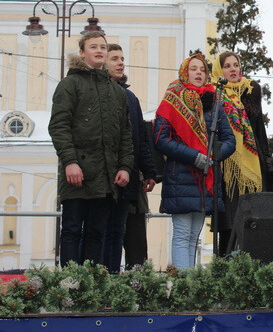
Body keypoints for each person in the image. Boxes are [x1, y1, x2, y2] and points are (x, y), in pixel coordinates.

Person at [48, 32, 134, 267]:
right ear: (82, 52)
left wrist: (125, 167)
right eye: (93, 46)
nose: (99, 50)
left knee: (97, 232)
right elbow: (59, 126)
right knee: (72, 231)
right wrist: (70, 162)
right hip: (77, 173)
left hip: (106, 177)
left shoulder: (117, 93)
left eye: (103, 47)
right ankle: (69, 288)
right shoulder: (70, 85)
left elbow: (125, 135)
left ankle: (91, 290)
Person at [153, 52, 236, 268]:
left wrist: (213, 156)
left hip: (205, 177)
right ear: (184, 72)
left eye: (203, 69)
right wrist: (194, 156)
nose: (199, 73)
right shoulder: (172, 98)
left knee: (193, 235)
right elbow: (161, 139)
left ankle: (190, 286)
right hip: (180, 175)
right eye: (193, 69)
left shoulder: (213, 101)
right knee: (181, 233)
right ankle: (183, 286)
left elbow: (229, 139)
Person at [211, 51, 273, 256]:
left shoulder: (250, 92)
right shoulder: (214, 93)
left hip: (252, 164)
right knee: (228, 225)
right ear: (220, 70)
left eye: (236, 65)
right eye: (227, 66)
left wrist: (266, 158)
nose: (233, 69)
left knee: (252, 223)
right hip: (226, 167)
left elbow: (259, 131)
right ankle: (225, 269)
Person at [102, 44, 158, 272]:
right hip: (106, 179)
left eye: (122, 58)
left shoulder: (131, 98)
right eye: (114, 58)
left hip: (132, 181)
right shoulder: (99, 94)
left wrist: (150, 172)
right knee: (109, 235)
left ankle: (137, 286)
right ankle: (107, 281)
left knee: (135, 240)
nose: (120, 62)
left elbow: (140, 140)